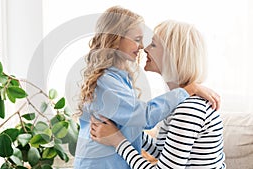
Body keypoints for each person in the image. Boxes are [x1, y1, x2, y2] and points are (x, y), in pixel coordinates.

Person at [74, 6, 220, 169]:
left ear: (172, 54)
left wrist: (117, 139)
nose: (144, 47)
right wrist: (117, 135)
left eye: (153, 44)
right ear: (116, 40)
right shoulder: (109, 80)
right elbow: (152, 131)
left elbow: (142, 121)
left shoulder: (188, 107)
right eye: (138, 40)